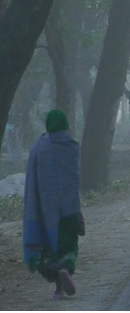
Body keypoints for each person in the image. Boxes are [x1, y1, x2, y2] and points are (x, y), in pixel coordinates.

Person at [23, 110, 85, 300]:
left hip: (48, 213)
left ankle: (59, 288)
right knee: (70, 248)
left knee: (53, 251)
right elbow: (75, 178)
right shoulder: (72, 146)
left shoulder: (39, 148)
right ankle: (65, 270)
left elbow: (32, 182)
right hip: (70, 209)